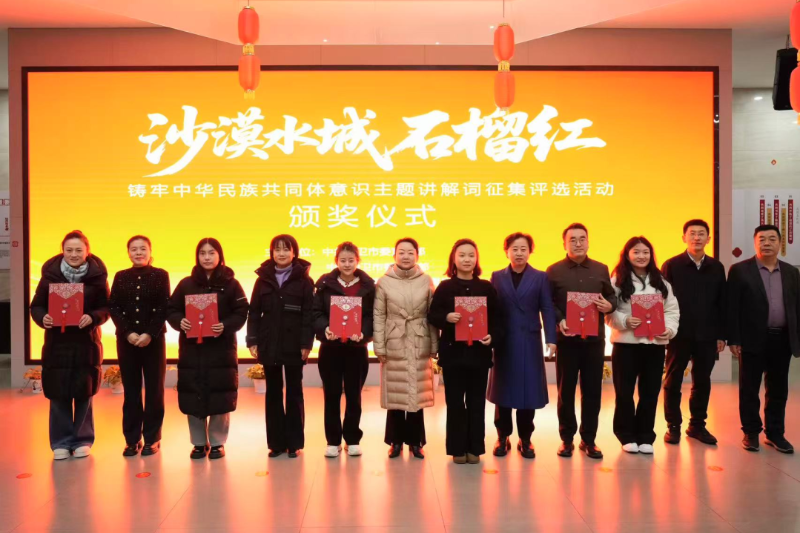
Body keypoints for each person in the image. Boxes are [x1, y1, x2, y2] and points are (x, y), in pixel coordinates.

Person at [30, 230, 110, 460]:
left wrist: (92, 317)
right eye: (69, 250)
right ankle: (61, 442)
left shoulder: (97, 277)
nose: (74, 254)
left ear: (87, 251)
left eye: (78, 250)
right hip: (57, 343)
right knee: (58, 392)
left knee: (84, 392)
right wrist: (43, 318)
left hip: (86, 343)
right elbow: (36, 306)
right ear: (62, 250)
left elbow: (107, 308)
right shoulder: (50, 276)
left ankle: (83, 439)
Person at [167, 238, 248, 460]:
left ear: (220, 255)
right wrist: (180, 321)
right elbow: (171, 309)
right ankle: (198, 443)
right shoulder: (186, 284)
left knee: (220, 394)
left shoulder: (231, 284)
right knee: (192, 394)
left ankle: (218, 442)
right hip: (192, 350)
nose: (207, 257)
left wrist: (225, 325)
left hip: (221, 349)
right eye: (202, 253)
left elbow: (242, 311)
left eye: (211, 253)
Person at [546, 223, 617, 459]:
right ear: (564, 244)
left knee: (592, 391)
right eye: (572, 239)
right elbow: (549, 303)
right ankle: (566, 439)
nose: (578, 243)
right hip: (567, 340)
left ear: (588, 241)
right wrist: (560, 319)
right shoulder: (553, 270)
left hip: (594, 340)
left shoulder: (601, 268)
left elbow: (611, 297)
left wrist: (609, 305)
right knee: (565, 391)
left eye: (582, 239)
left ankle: (589, 439)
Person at [728, 225, 800, 454]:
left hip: (782, 339)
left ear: (780, 243)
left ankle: (775, 433)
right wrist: (733, 339)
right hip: (751, 339)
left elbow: (797, 307)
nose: (767, 243)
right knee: (749, 388)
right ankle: (751, 432)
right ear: (755, 242)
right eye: (762, 239)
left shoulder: (791, 272)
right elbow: (732, 308)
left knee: (778, 389)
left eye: (772, 239)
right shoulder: (740, 270)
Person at [429, 239, 500, 464]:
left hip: (479, 356)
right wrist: (446, 317)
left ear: (476, 259)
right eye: (462, 255)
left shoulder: (486, 287)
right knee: (455, 403)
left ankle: (475, 448)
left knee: (477, 403)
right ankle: (457, 448)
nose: (466, 259)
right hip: (453, 356)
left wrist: (492, 336)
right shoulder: (444, 287)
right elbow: (432, 315)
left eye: (471, 255)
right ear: (453, 259)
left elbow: (498, 318)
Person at [607, 236, 679, 454]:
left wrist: (669, 329)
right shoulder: (617, 281)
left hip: (654, 346)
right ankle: (626, 434)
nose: (641, 256)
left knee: (650, 392)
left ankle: (646, 435)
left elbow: (672, 310)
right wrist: (625, 321)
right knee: (624, 393)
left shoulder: (662, 282)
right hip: (626, 346)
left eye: (645, 252)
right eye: (636, 252)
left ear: (651, 255)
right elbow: (608, 312)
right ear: (627, 255)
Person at [488, 232, 557, 459]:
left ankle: (525, 438)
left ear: (530, 251)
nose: (519, 253)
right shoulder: (497, 277)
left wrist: (551, 338)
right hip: (504, 341)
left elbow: (547, 308)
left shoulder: (540, 277)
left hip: (529, 340)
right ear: (506, 251)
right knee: (503, 390)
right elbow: (490, 309)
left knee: (528, 392)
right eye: (514, 249)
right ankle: (502, 436)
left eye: (523, 249)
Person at [247, 234, 314, 459]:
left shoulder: (304, 281)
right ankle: (276, 443)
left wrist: (306, 343)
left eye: (286, 249)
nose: (282, 253)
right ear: (272, 253)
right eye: (277, 249)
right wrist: (252, 340)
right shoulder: (262, 280)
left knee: (294, 392)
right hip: (269, 343)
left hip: (295, 345)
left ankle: (294, 443)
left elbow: (308, 315)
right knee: (273, 393)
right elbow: (254, 312)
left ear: (294, 253)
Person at [661, 219, 727, 446]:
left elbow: (722, 303)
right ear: (684, 238)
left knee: (702, 381)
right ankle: (673, 425)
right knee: (673, 380)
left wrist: (721, 334)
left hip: (707, 335)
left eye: (701, 234)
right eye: (692, 233)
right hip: (679, 334)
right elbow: (663, 300)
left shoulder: (716, 267)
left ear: (708, 239)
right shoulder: (671, 265)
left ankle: (697, 425)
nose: (697, 237)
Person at [373, 237, 439, 459]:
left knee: (416, 396)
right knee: (396, 394)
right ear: (394, 255)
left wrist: (434, 344)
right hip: (395, 341)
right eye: (401, 252)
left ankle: (416, 442)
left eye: (410, 252)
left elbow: (432, 315)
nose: (406, 256)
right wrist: (379, 346)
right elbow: (379, 315)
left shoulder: (426, 280)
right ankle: (395, 441)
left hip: (419, 340)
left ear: (417, 256)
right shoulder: (384, 282)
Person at [109, 235, 170, 457]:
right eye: (133, 249)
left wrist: (149, 334)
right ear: (128, 253)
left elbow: (164, 306)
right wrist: (127, 332)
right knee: (131, 391)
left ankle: (152, 438)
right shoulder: (120, 276)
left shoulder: (161, 275)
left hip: (154, 341)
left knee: (155, 390)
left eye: (142, 248)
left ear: (150, 251)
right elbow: (113, 306)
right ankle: (132, 439)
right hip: (127, 342)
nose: (138, 253)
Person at [312, 242, 374, 458]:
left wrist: (363, 333)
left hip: (357, 349)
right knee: (331, 395)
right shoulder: (324, 284)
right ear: (336, 261)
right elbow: (316, 312)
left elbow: (371, 315)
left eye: (351, 260)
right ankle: (333, 441)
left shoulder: (368, 285)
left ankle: (353, 439)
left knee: (354, 395)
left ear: (358, 261)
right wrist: (325, 328)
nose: (347, 264)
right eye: (343, 260)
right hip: (330, 348)